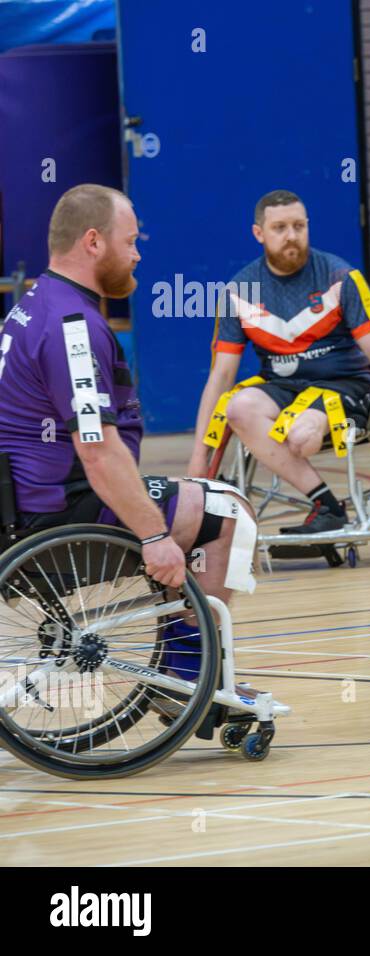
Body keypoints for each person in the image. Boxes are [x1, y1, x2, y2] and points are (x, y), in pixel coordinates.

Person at [0, 184, 257, 709]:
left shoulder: (33, 303)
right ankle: (188, 683)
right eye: (131, 240)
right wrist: (154, 533)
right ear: (93, 242)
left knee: (194, 496)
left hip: (29, 501)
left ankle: (182, 674)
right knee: (224, 510)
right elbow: (97, 451)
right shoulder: (72, 326)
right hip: (56, 515)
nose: (138, 253)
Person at [186, 190, 370, 534]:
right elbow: (220, 376)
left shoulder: (341, 278)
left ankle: (322, 497)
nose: (291, 235)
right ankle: (326, 505)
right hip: (285, 388)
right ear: (259, 234)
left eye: (298, 226)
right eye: (279, 227)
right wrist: (198, 455)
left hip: (345, 387)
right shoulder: (239, 292)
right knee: (238, 408)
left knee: (301, 435)